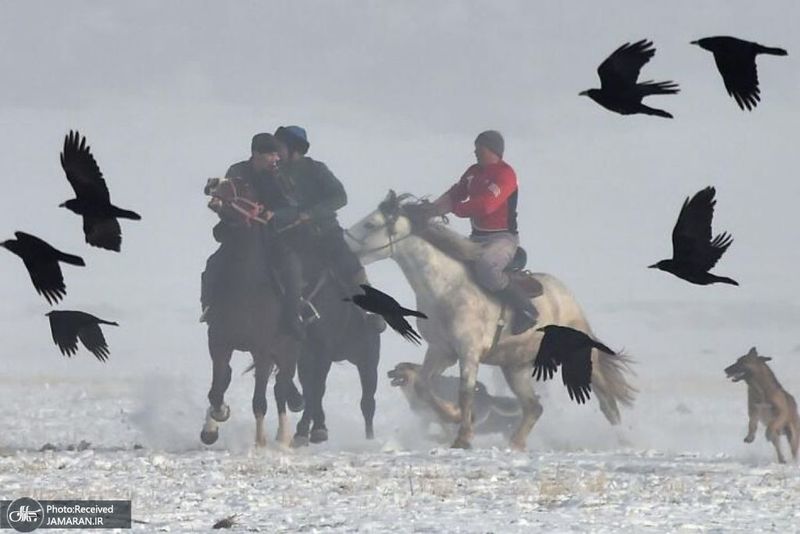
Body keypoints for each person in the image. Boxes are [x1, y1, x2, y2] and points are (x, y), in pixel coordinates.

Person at [273, 125, 386, 332]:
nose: (276, 152)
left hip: (326, 233)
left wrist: (311, 213)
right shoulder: (273, 174)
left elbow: (340, 197)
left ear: (294, 148)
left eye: (279, 147)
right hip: (294, 237)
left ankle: (370, 310)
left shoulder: (316, 169)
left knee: (349, 264)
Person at [201, 133, 307, 338]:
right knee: (213, 264)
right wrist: (221, 207)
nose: (276, 158)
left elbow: (293, 207)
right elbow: (226, 197)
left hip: (272, 234)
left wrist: (274, 214)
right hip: (240, 232)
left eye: (276, 154)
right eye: (271, 154)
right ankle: (209, 308)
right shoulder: (237, 171)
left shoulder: (280, 176)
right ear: (256, 154)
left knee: (292, 267)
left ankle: (292, 317)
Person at [430, 130, 537, 335]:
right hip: (477, 237)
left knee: (487, 267)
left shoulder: (505, 174)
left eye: (480, 147)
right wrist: (431, 210)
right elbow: (455, 194)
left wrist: (456, 209)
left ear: (492, 150)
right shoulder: (473, 172)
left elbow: (487, 205)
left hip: (503, 238)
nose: (475, 151)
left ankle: (527, 310)